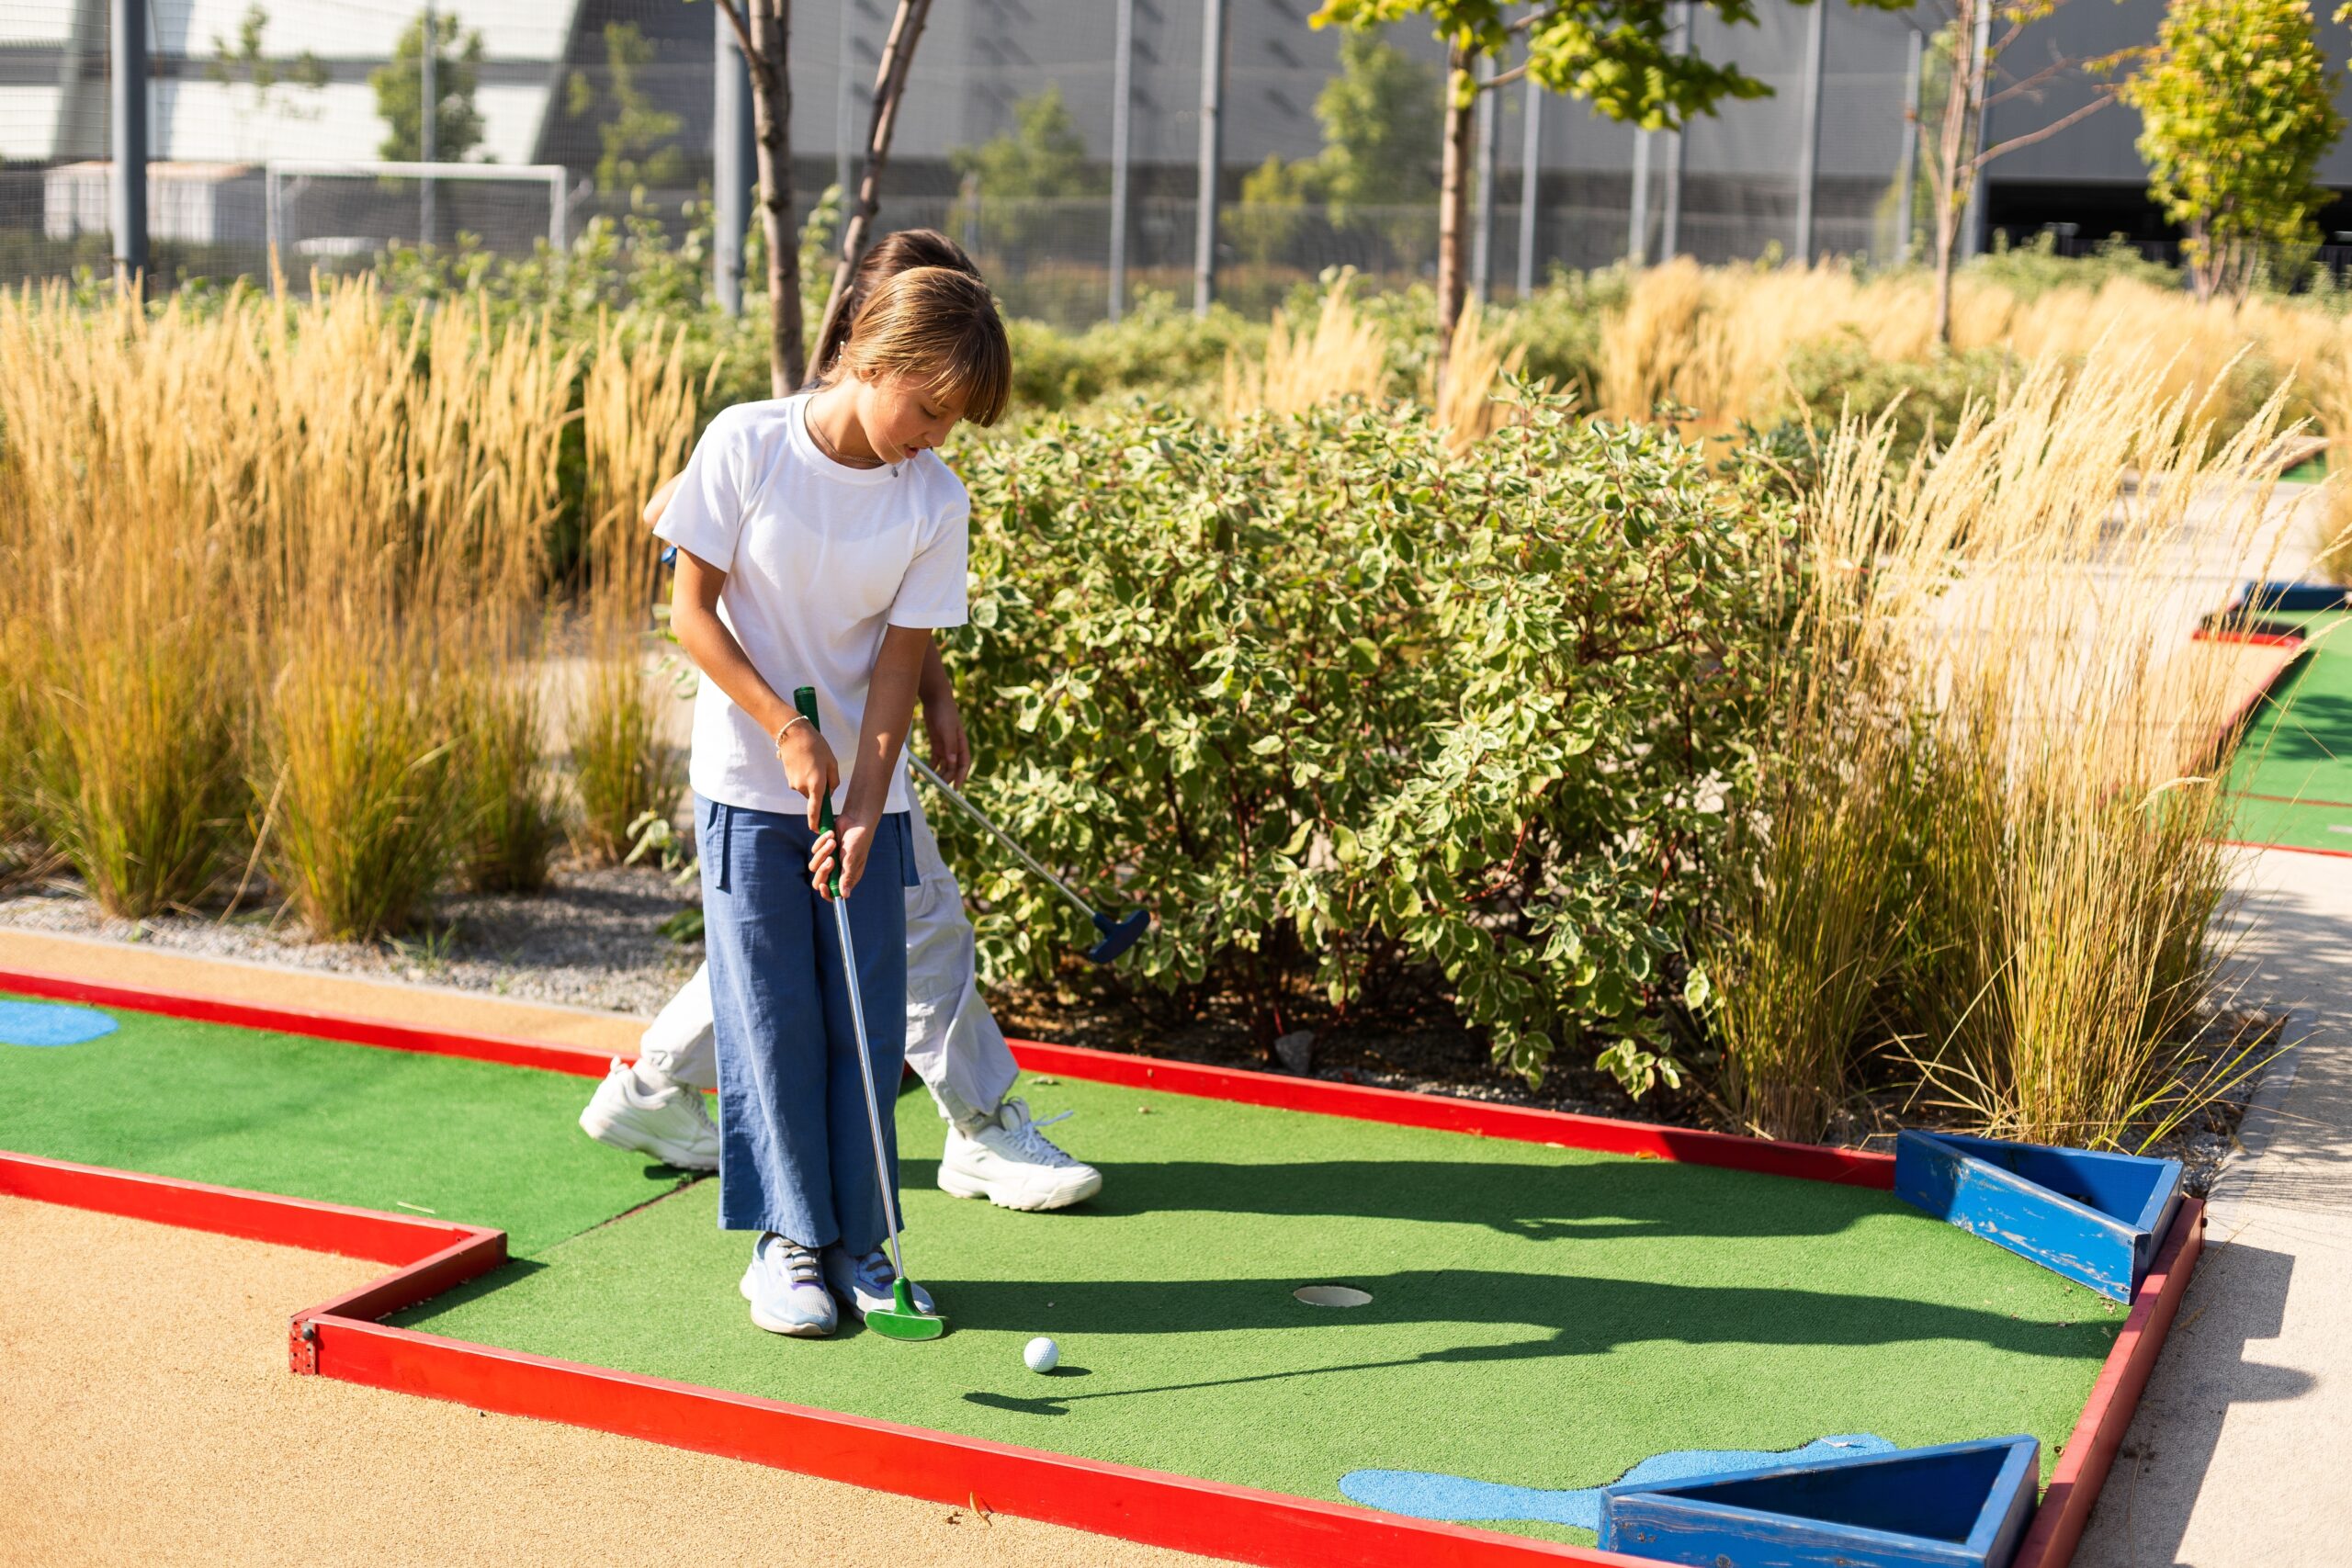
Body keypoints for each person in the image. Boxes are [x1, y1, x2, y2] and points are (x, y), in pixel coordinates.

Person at [579, 232, 1102, 1222]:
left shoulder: (926, 491)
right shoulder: (758, 437)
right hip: (769, 753)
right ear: (879, 344)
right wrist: (782, 719)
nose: (942, 433)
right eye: (934, 407)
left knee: (852, 933)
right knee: (891, 934)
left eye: (958, 417)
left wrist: (930, 701)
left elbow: (891, 618)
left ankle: (653, 1087)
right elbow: (696, 579)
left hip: (868, 753)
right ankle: (977, 1132)